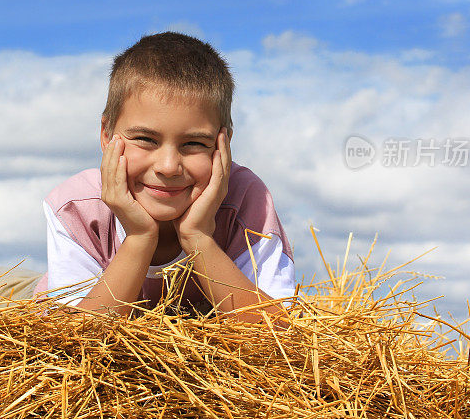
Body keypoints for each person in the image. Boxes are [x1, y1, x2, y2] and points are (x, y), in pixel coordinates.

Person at [29, 32, 294, 318]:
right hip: (49, 295)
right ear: (106, 135)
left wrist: (198, 238)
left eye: (193, 143)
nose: (168, 166)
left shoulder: (246, 202)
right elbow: (76, 343)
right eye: (145, 139)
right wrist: (140, 238)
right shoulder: (77, 207)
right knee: (0, 291)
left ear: (224, 144)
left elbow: (278, 338)